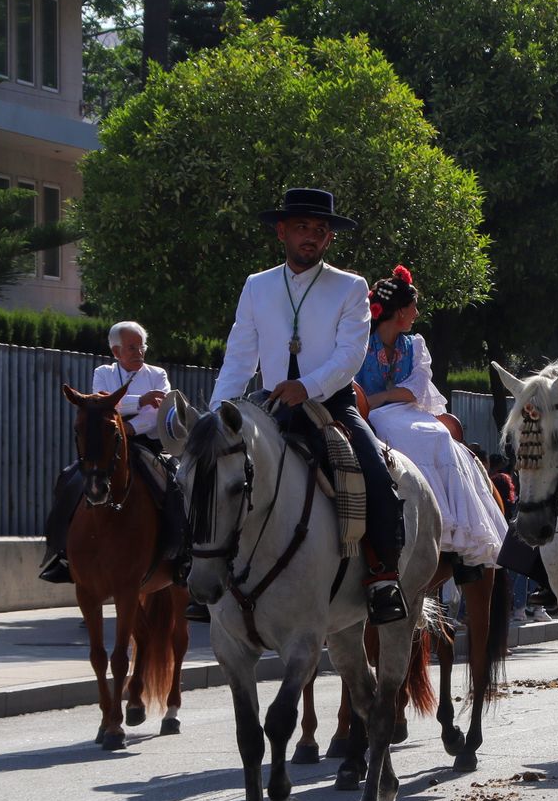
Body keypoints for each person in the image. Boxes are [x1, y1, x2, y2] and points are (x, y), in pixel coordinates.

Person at [210, 188, 406, 623]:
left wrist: (309, 386)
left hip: (332, 401)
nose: (312, 237)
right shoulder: (257, 286)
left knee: (375, 472)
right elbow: (240, 356)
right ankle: (200, 570)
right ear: (282, 230)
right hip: (269, 405)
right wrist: (217, 414)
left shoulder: (350, 287)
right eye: (302, 227)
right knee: (209, 472)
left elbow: (351, 354)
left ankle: (382, 575)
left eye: (320, 230)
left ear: (329, 239)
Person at [356, 265, 507, 576]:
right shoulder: (360, 343)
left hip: (402, 410)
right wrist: (371, 403)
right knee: (394, 435)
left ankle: (452, 524)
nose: (417, 312)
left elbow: (416, 387)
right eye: (413, 306)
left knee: (438, 435)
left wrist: (382, 397)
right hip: (369, 415)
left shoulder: (414, 346)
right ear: (399, 312)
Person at [39, 320, 184, 584]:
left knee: (176, 483)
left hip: (147, 443)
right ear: (116, 352)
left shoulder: (157, 374)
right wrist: (139, 400)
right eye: (131, 348)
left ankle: (182, 554)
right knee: (68, 479)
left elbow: (158, 414)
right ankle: (62, 553)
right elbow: (98, 403)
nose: (139, 352)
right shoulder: (103, 372)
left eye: (142, 347)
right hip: (109, 444)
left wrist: (128, 425)